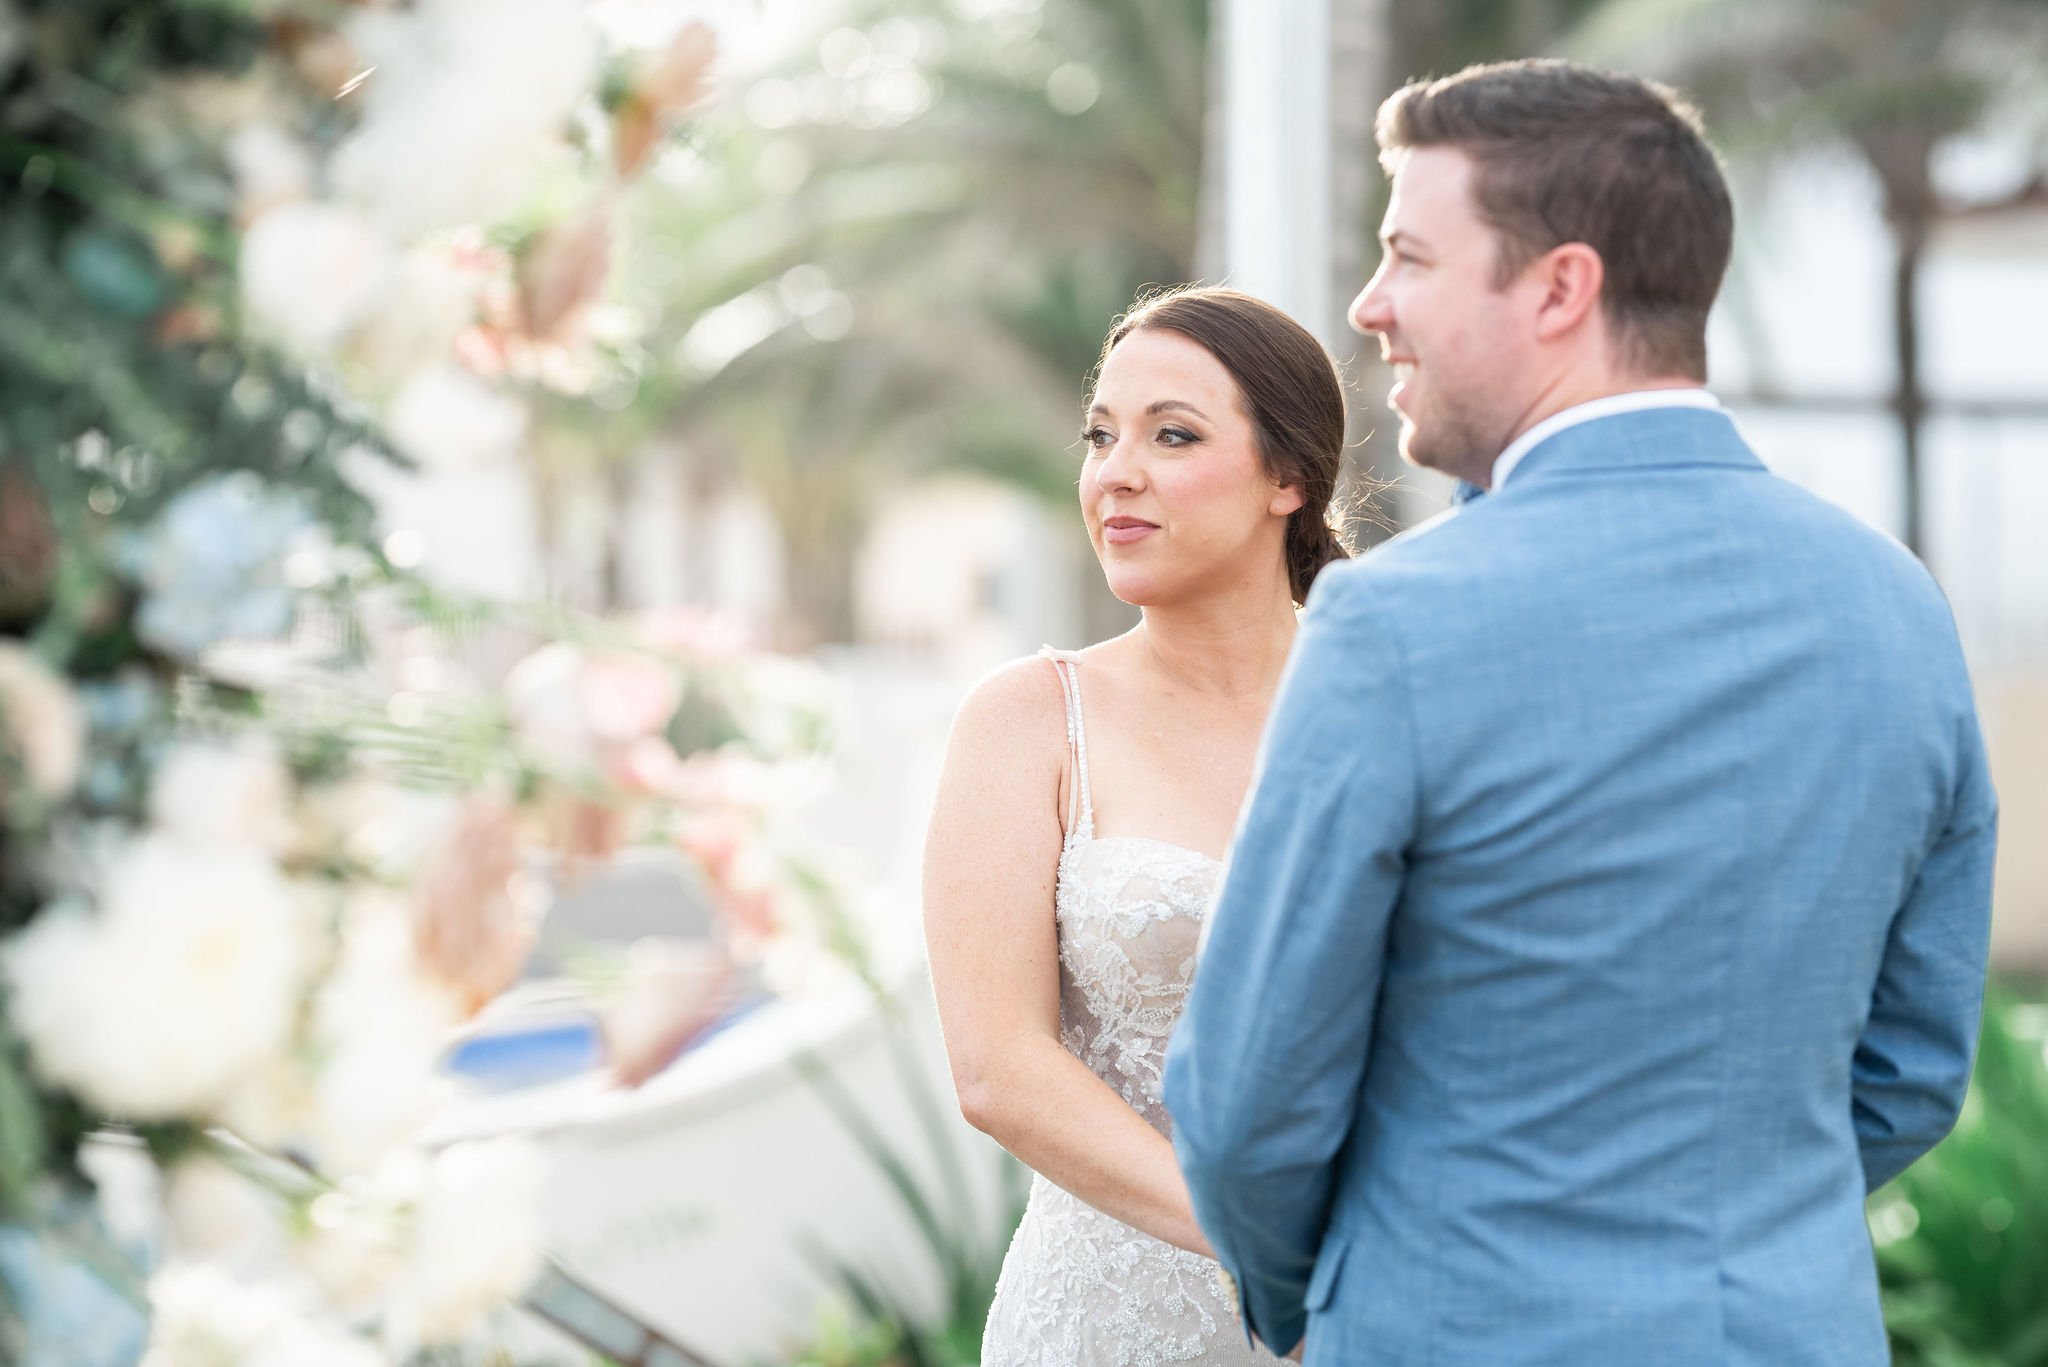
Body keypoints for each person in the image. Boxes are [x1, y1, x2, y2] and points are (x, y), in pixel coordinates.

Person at [1163, 58, 1998, 1366]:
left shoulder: (1394, 622)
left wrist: (1321, 1297)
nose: (1372, 307)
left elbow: (1248, 1099)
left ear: (1560, 286)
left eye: (1411, 257)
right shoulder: (1897, 606)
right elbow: (1910, 1065)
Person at [923, 286, 1355, 1365]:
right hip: (1108, 1324)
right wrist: (1262, 1247)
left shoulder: (1391, 705)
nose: (1115, 470)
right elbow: (997, 1067)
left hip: (1378, 1312)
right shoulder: (1030, 719)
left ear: (1289, 478)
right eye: (1100, 434)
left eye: (1171, 434)